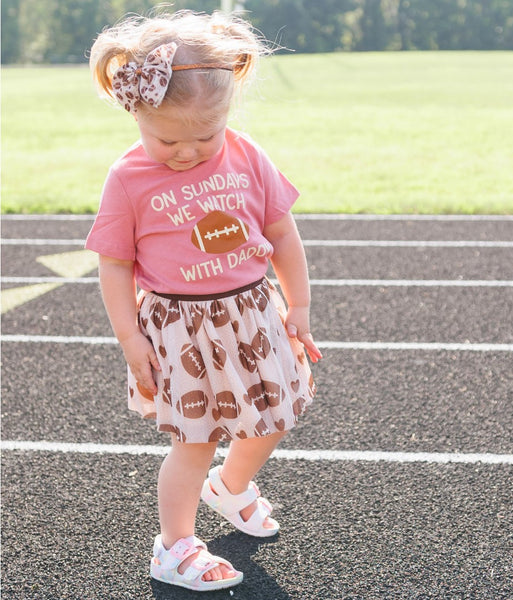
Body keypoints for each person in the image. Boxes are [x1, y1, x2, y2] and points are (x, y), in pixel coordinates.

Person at [86, 10, 320, 592]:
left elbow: (283, 232)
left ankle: (232, 487)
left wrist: (299, 306)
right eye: (167, 139)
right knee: (195, 442)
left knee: (274, 415)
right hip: (179, 328)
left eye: (204, 136)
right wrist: (129, 338)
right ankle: (174, 548)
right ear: (136, 114)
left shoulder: (245, 155)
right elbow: (114, 264)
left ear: (227, 113)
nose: (186, 153)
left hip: (253, 312)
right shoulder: (128, 178)